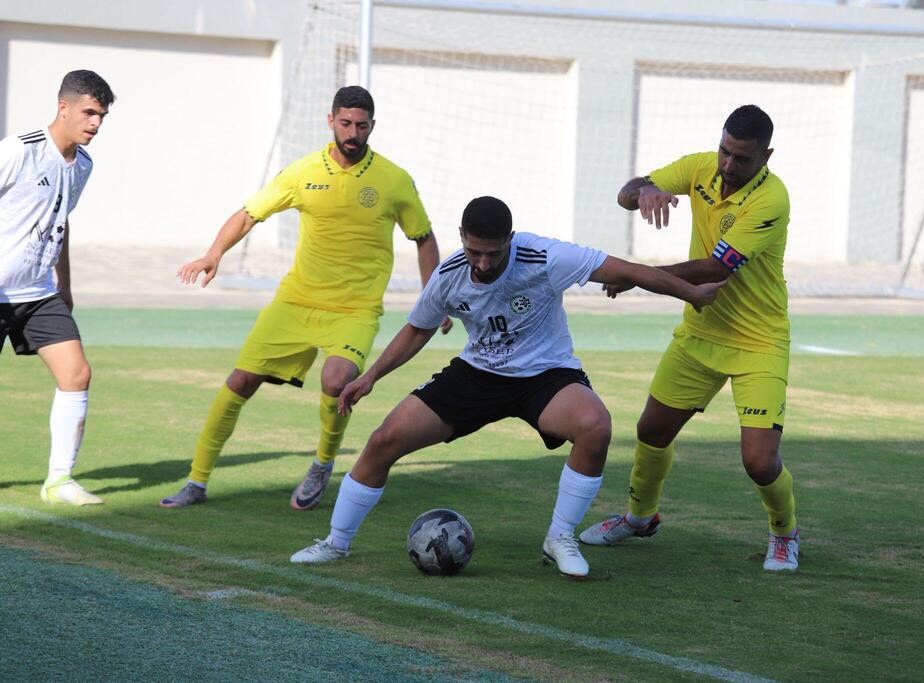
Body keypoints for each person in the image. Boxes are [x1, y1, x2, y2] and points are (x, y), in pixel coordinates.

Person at [289, 195, 723, 578]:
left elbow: (629, 270)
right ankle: (335, 543)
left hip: (545, 375)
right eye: (473, 251)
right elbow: (417, 330)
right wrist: (369, 378)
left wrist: (691, 294)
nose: (482, 263)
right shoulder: (450, 274)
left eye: (492, 254)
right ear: (461, 237)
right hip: (477, 375)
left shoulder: (545, 257)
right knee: (384, 439)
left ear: (510, 239)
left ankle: (560, 538)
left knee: (595, 425)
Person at [159, 86, 448, 510]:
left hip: (354, 309)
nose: (353, 132)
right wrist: (214, 252)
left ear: (372, 126)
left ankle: (322, 463)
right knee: (239, 382)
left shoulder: (394, 180)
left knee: (336, 381)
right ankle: (197, 481)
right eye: (345, 123)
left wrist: (433, 296)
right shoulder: (301, 172)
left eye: (361, 125)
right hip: (295, 302)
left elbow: (423, 238)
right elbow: (248, 214)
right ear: (330, 121)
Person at [579, 105, 801, 571]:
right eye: (724, 151)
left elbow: (716, 268)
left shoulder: (771, 201)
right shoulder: (700, 166)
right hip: (700, 332)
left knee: (760, 462)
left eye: (741, 157)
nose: (727, 164)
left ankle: (785, 533)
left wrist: (636, 275)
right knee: (651, 430)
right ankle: (640, 517)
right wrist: (648, 191)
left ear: (766, 156)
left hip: (758, 341)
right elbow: (626, 192)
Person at [0, 70, 115, 505]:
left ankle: (59, 481)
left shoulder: (83, 165)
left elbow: (60, 221)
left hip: (38, 293)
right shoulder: (19, 150)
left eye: (101, 116)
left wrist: (65, 285)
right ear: (62, 106)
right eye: (89, 112)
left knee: (77, 373)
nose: (95, 124)